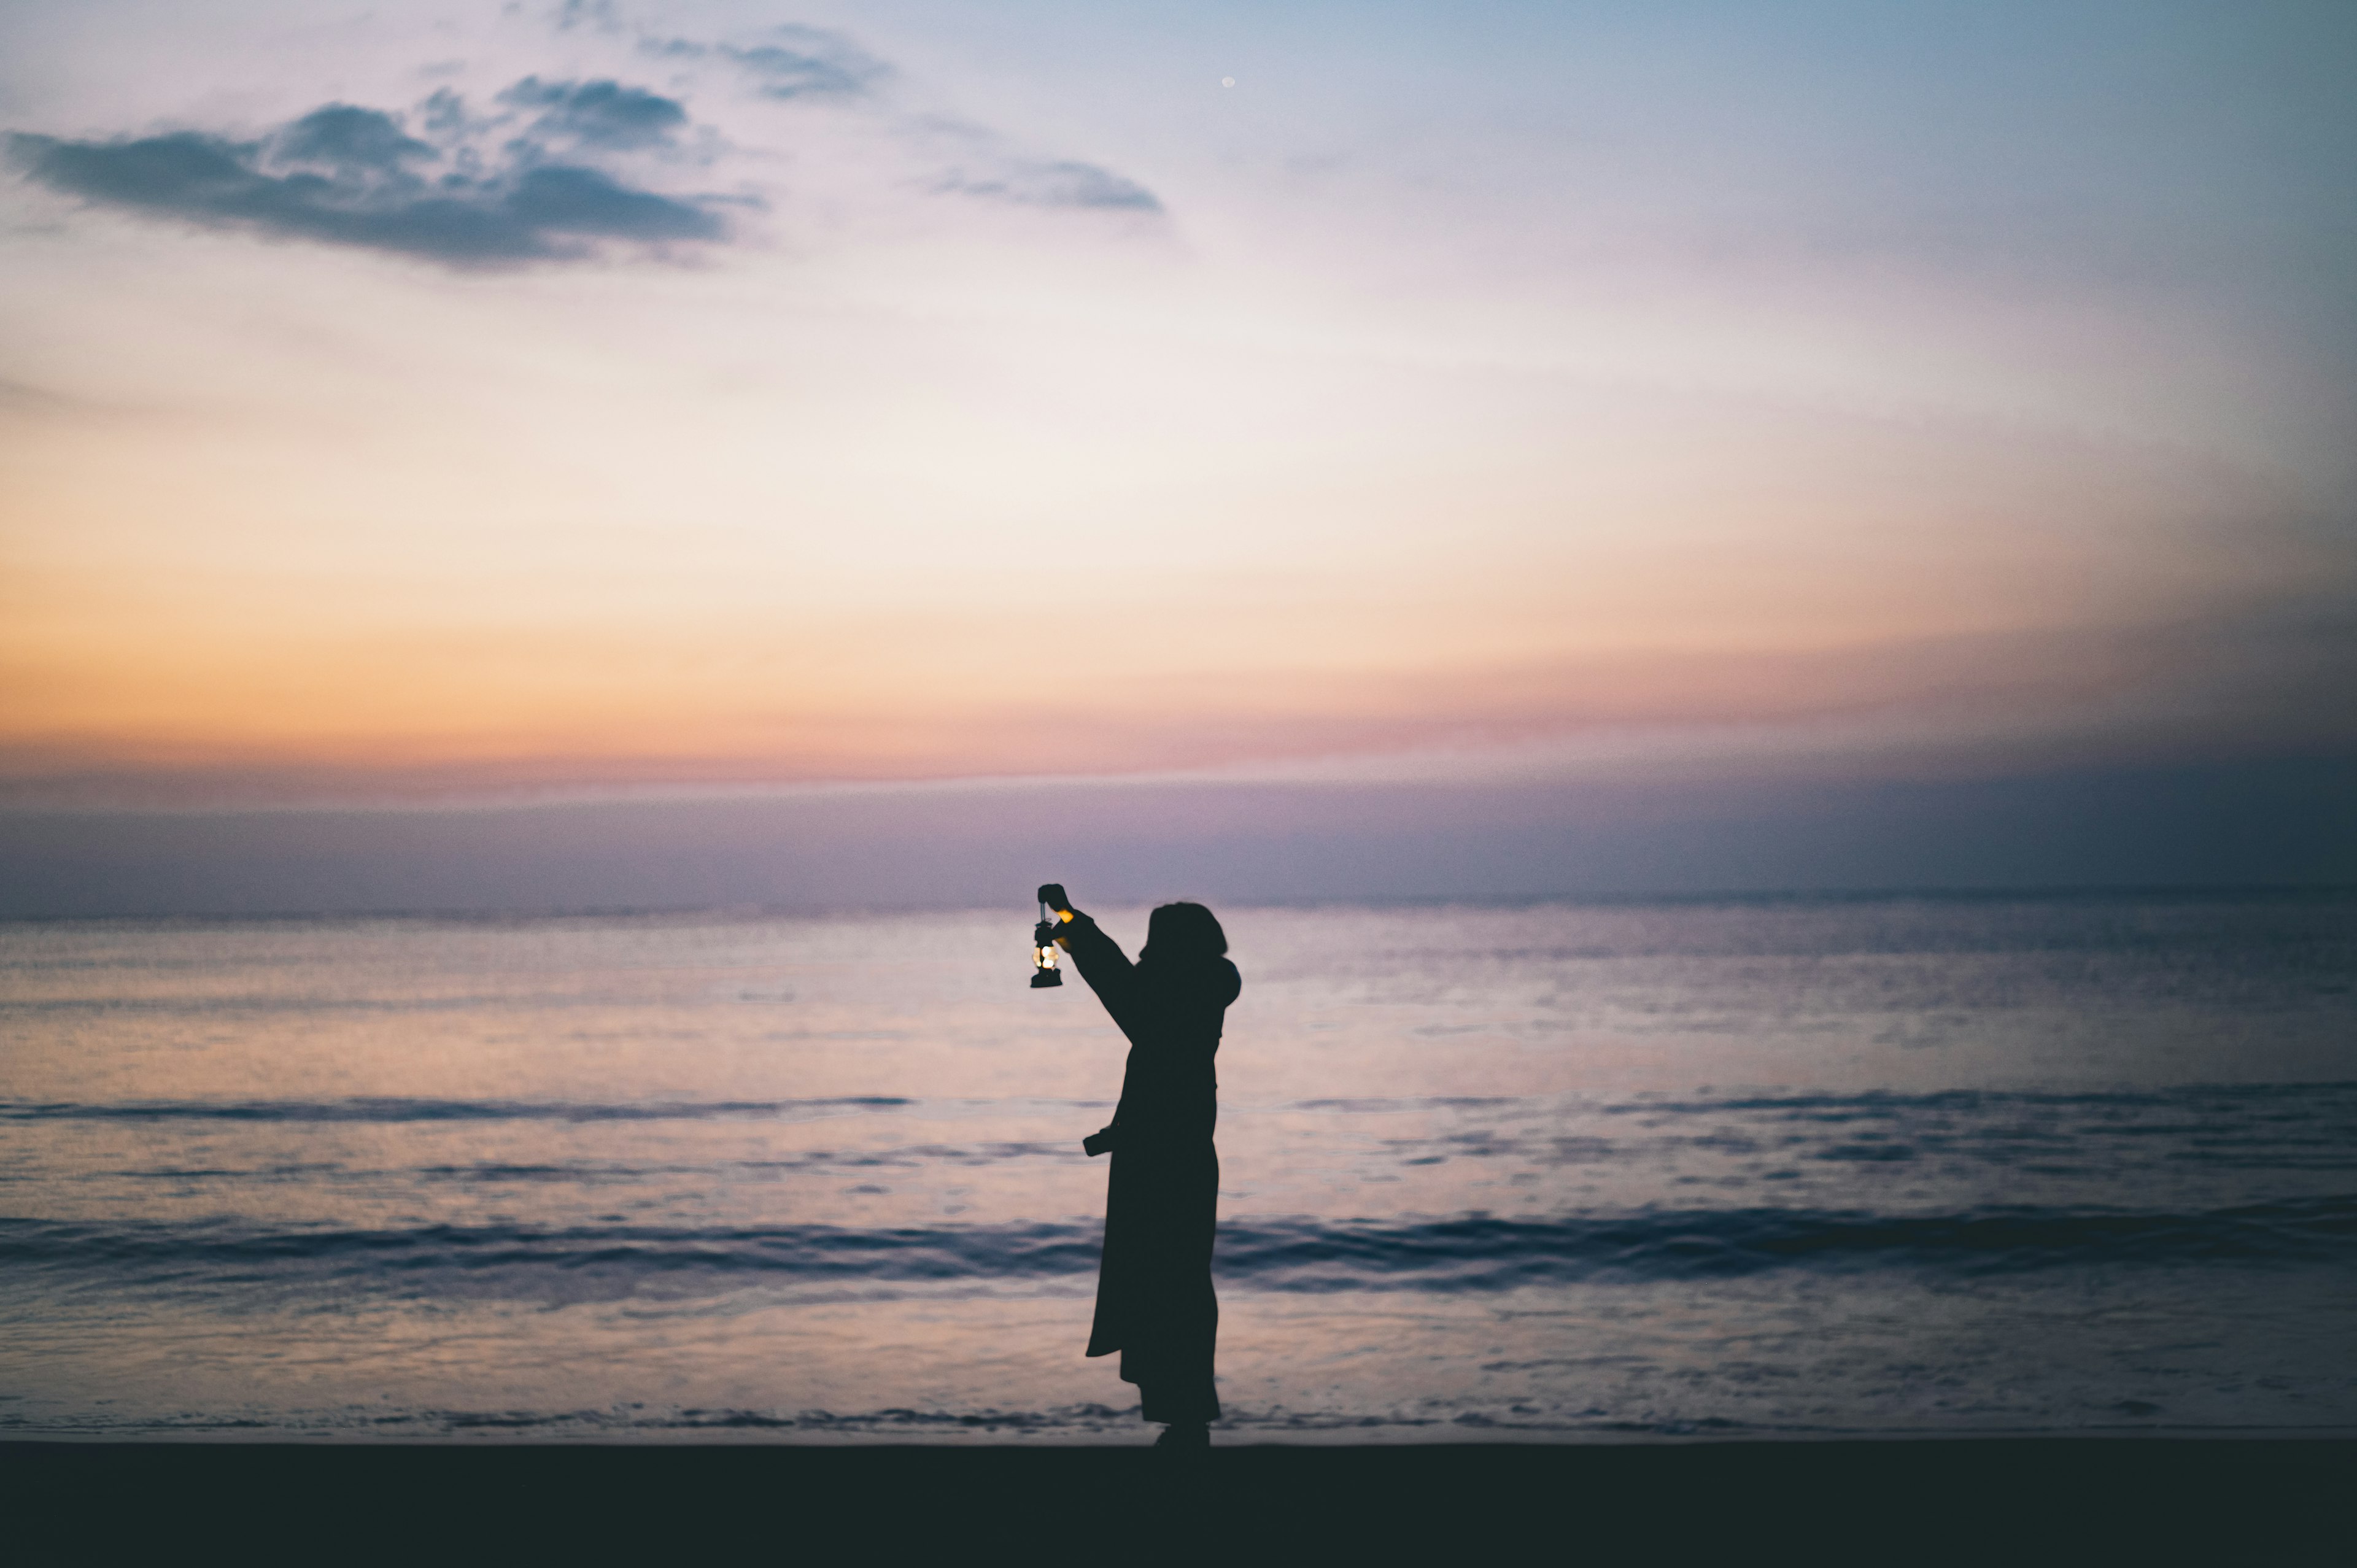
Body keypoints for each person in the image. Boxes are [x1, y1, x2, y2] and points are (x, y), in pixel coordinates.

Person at [1040, 882, 1238, 1448]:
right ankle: (1182, 1413)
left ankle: (1187, 1414)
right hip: (1168, 1155)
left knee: (1170, 1282)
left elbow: (1120, 983)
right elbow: (1122, 981)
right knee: (1167, 1281)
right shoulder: (1192, 992)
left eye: (1157, 942)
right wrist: (1072, 923)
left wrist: (1072, 925)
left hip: (1165, 1159)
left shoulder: (1189, 993)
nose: (1148, 951)